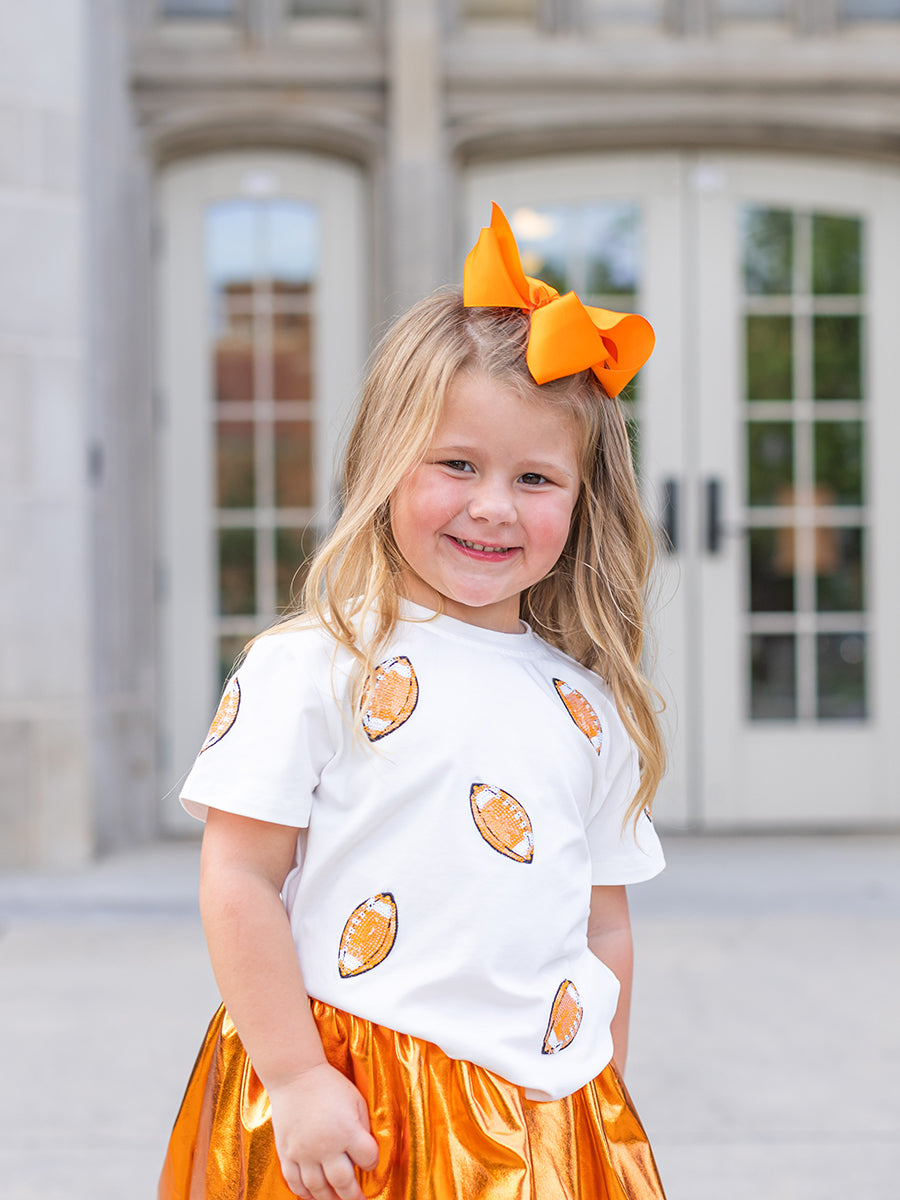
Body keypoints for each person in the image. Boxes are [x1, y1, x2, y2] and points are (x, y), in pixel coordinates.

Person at [159, 203, 668, 1200]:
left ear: (582, 500)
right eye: (457, 465)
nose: (492, 506)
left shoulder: (584, 706)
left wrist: (600, 1086)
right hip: (354, 1102)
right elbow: (239, 881)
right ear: (388, 461)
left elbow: (602, 925)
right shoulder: (313, 665)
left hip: (542, 1115)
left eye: (534, 477)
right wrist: (297, 1077)